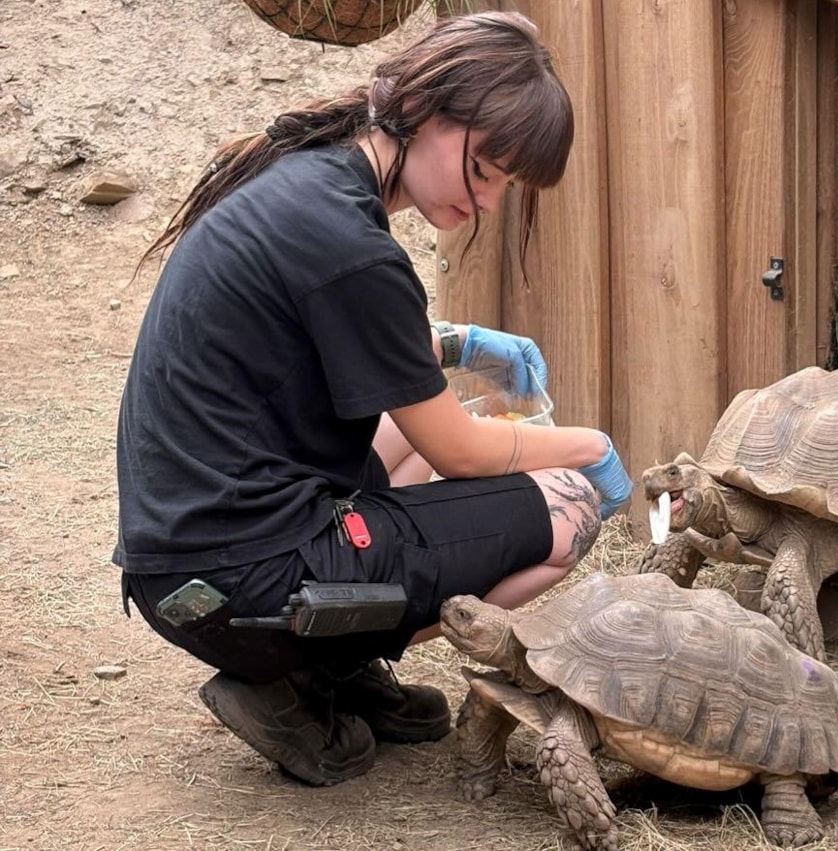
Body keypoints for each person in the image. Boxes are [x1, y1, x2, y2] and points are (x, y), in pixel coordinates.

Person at [113, 10, 632, 787]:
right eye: (486, 169)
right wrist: (591, 449)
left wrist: (459, 347)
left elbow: (380, 351)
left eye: (504, 186)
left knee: (413, 426)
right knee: (565, 505)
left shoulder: (309, 179)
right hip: (248, 582)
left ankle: (328, 666)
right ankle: (307, 671)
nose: (489, 201)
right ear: (425, 112)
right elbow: (458, 446)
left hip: (188, 565)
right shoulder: (351, 244)